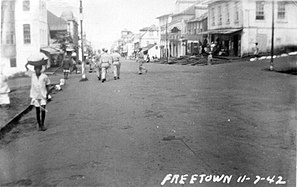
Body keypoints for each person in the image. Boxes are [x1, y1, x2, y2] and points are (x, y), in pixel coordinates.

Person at [25, 53, 51, 131]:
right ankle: (39, 125)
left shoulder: (44, 76)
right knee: (37, 110)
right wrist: (27, 64)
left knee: (42, 110)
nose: (37, 71)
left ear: (40, 69)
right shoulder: (32, 75)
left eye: (38, 69)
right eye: (35, 69)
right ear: (34, 70)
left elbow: (48, 84)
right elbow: (26, 69)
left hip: (43, 96)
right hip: (35, 96)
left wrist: (47, 94)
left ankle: (42, 124)